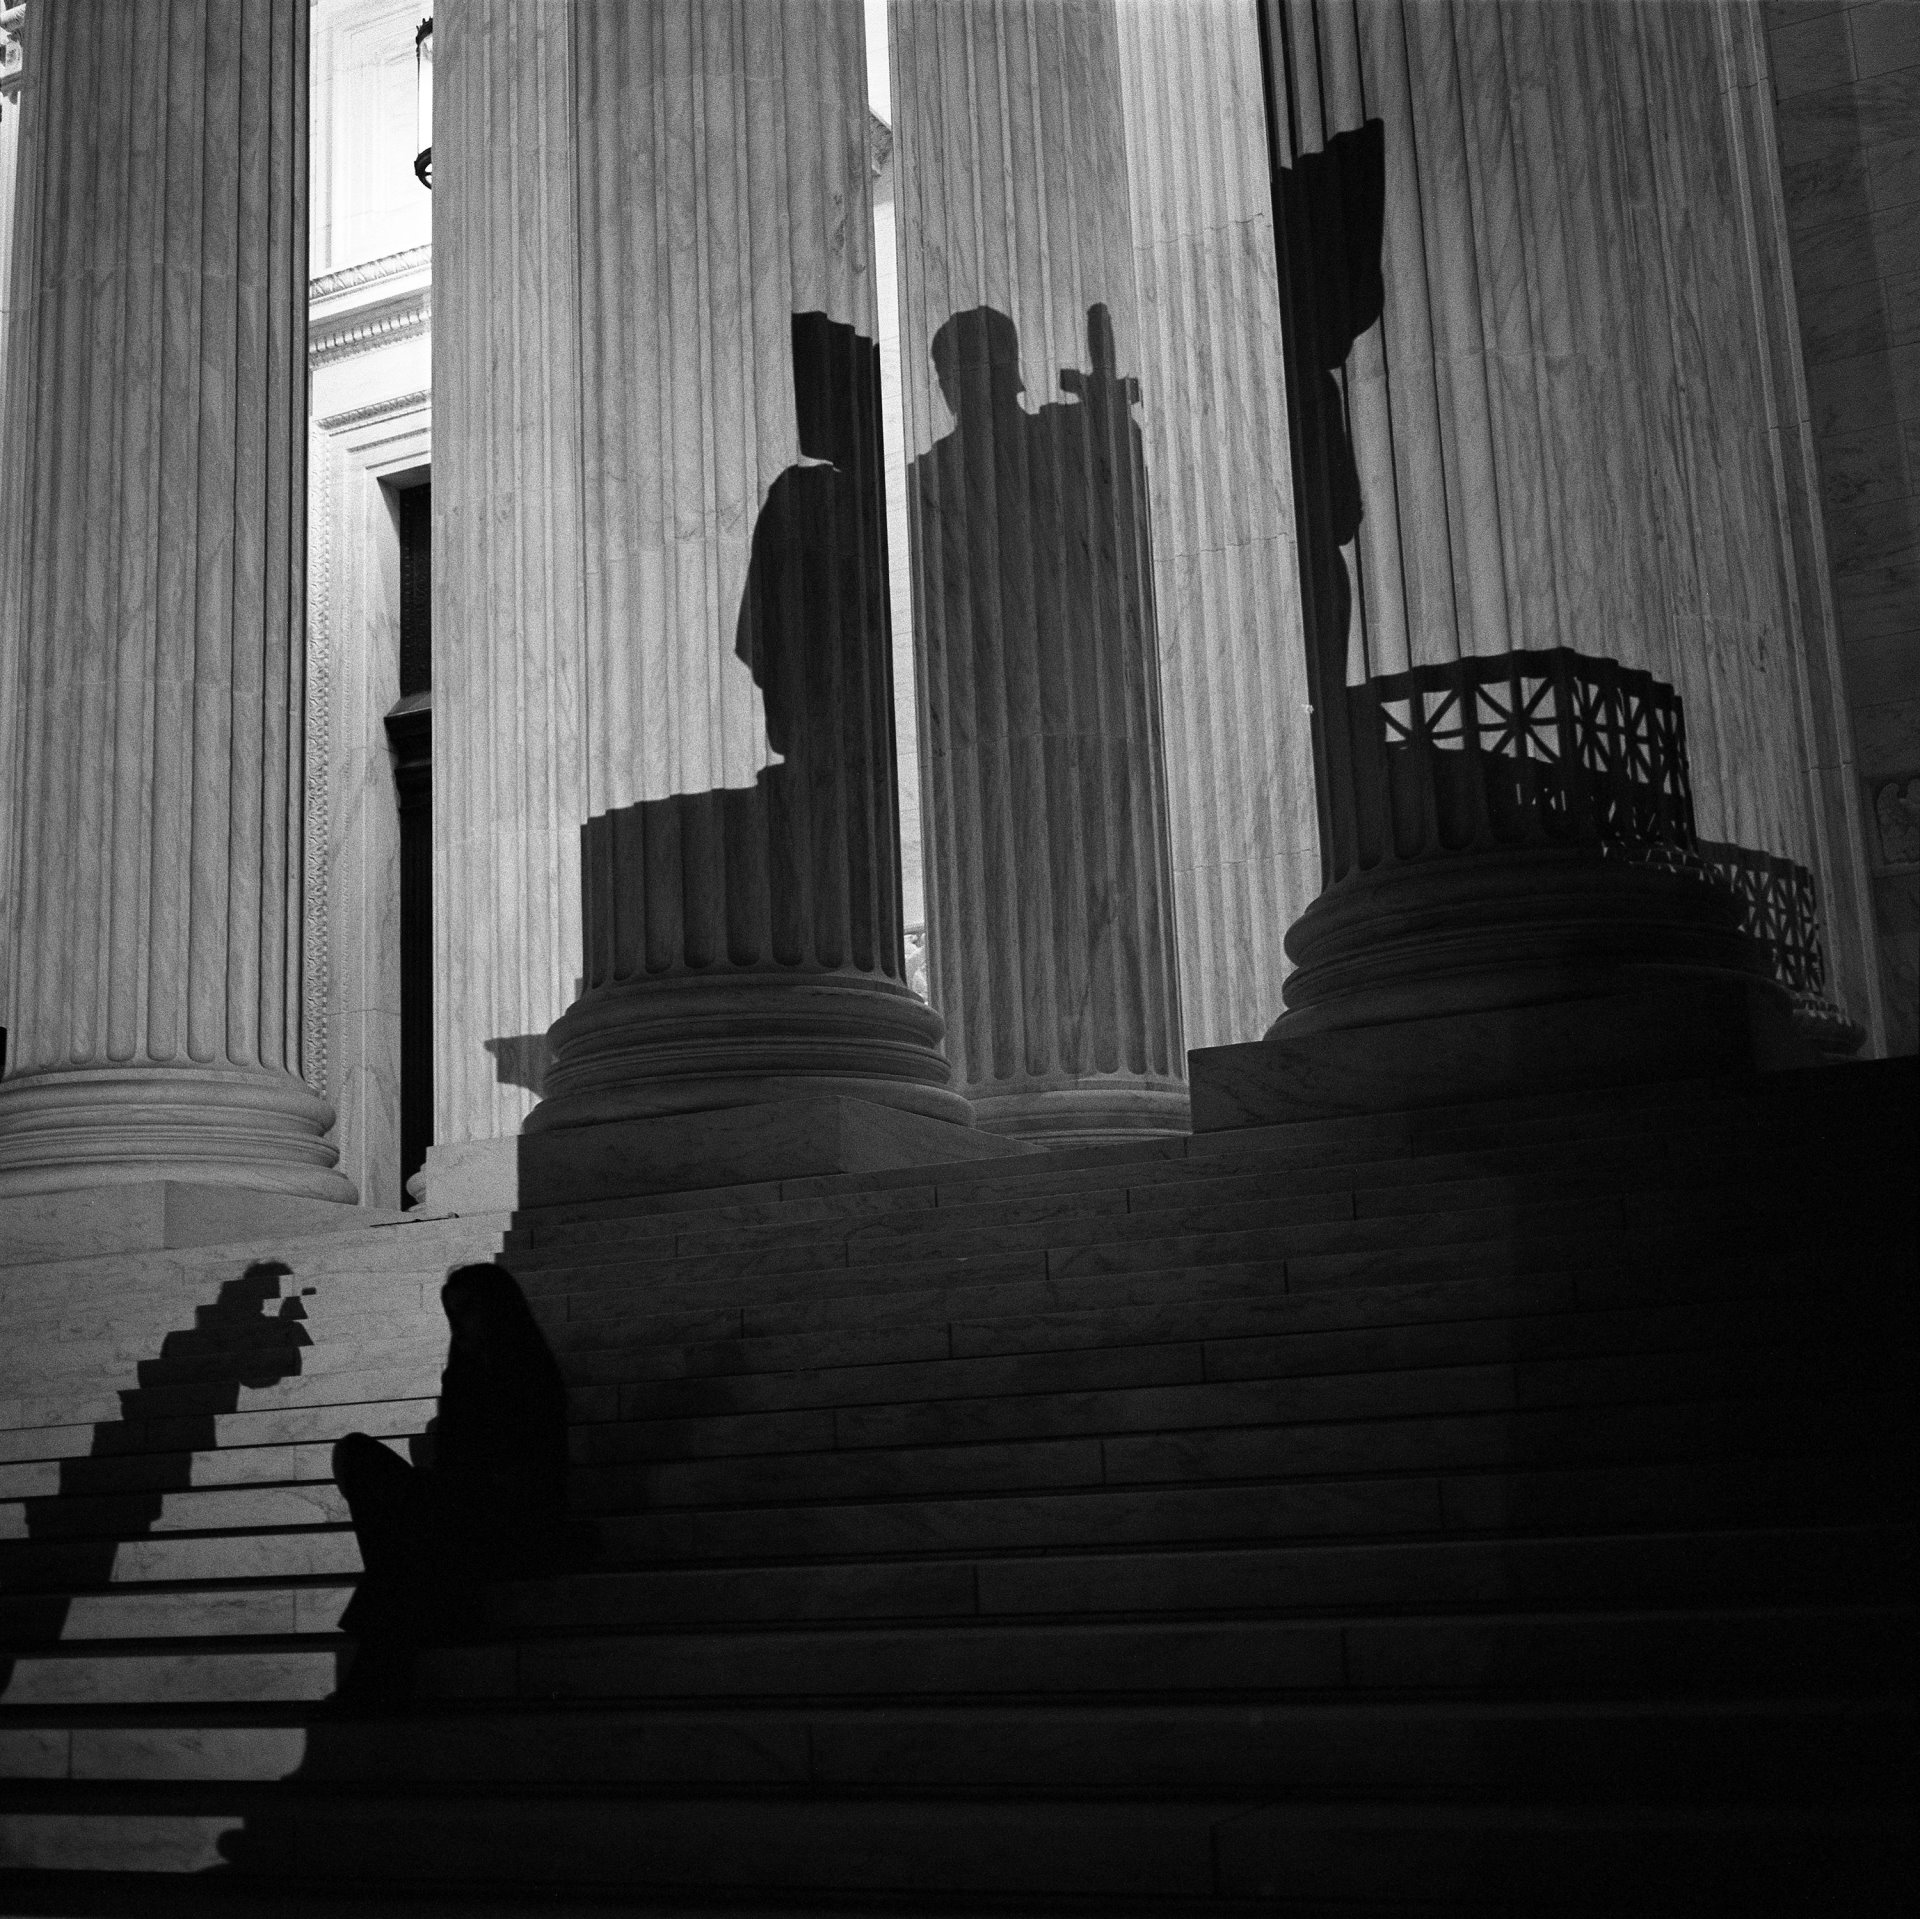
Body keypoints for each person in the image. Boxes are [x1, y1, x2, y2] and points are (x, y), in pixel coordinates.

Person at [328, 1262, 571, 1708]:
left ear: (497, 1312)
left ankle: (383, 1667)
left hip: (514, 1525)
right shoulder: (460, 1377)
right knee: (355, 1453)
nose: (461, 1326)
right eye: (453, 1315)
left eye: (470, 1312)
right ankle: (422, 1607)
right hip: (459, 1518)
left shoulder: (530, 1376)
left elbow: (527, 1480)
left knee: (418, 1538)